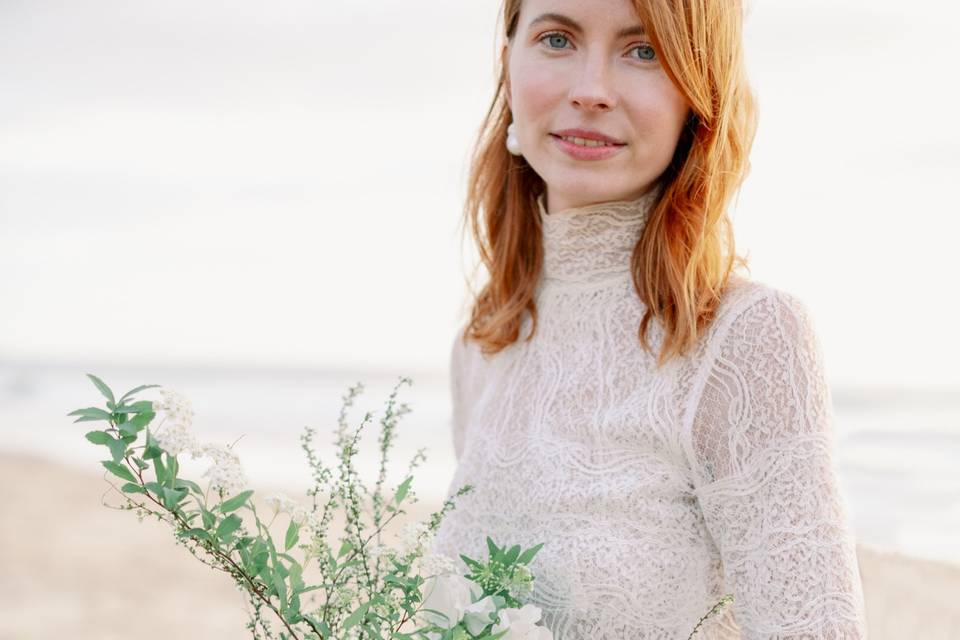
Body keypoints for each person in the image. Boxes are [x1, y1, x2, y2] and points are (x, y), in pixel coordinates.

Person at [430, 0, 869, 638]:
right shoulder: (485, 342)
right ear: (508, 61)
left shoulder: (746, 338)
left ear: (700, 91)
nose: (591, 91)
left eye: (645, 52)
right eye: (557, 39)